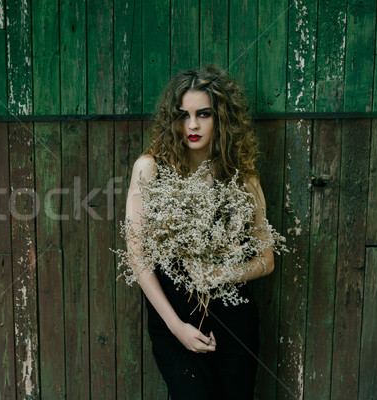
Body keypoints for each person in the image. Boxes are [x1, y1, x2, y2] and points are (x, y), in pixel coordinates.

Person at [125, 65, 275, 399]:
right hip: (175, 320)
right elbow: (137, 257)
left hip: (236, 322)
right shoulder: (149, 169)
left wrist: (223, 273)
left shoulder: (244, 180)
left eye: (203, 114)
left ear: (221, 118)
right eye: (182, 115)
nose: (192, 125)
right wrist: (176, 328)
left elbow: (267, 261)